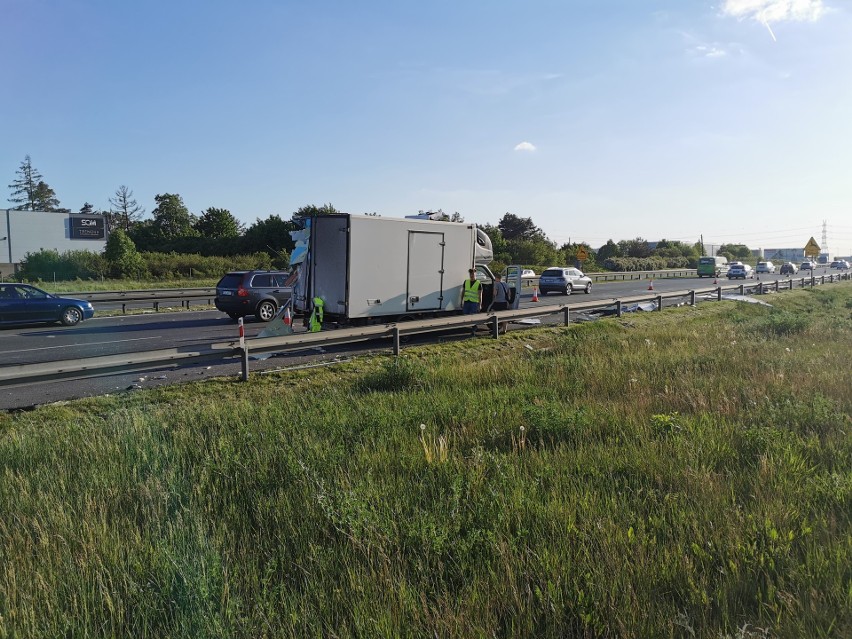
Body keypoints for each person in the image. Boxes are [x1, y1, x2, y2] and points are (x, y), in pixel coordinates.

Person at [461, 268, 481, 335]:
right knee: (465, 315)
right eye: (470, 274)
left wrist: (480, 304)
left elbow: (480, 295)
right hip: (467, 301)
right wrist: (461, 301)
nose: (471, 275)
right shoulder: (466, 281)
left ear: (475, 274)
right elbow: (463, 292)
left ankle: (474, 329)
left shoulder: (478, 283)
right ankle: (474, 327)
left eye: (473, 274)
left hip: (474, 302)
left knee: (472, 316)